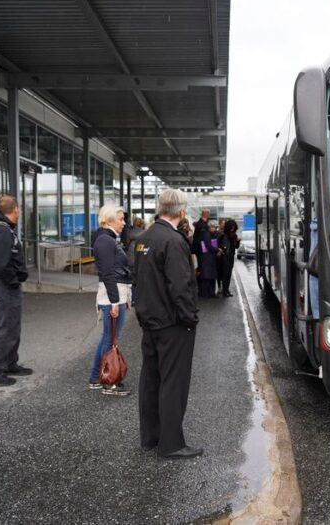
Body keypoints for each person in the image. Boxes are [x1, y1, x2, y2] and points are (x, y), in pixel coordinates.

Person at [134, 189, 201, 459]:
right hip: (172, 323)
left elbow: (139, 278)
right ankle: (171, 444)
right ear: (182, 212)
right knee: (173, 383)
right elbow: (180, 286)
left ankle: (150, 438)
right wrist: (190, 317)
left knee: (151, 380)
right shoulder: (174, 241)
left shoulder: (144, 237)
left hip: (149, 321)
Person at [0, 194, 31, 388]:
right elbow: (1, 265)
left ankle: (9, 363)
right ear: (15, 209)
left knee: (12, 324)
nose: (19, 213)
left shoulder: (0, 228)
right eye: (19, 209)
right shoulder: (1, 231)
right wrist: (15, 280)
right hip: (3, 285)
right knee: (5, 326)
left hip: (3, 284)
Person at [89, 204, 133, 396]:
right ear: (108, 219)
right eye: (121, 218)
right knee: (110, 339)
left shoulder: (107, 239)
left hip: (115, 295)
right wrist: (116, 302)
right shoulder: (106, 241)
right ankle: (108, 382)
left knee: (107, 337)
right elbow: (107, 273)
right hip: (111, 297)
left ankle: (96, 378)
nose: (124, 222)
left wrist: (125, 297)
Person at [196, 220, 220, 297]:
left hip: (209, 257)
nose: (215, 229)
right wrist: (217, 249)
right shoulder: (206, 234)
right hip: (207, 258)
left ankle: (210, 293)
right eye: (214, 227)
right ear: (210, 227)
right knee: (207, 277)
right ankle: (206, 293)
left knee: (210, 276)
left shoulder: (209, 234)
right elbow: (209, 246)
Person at [218, 219, 239, 297]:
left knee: (229, 273)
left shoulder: (234, 235)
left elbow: (236, 247)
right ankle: (224, 291)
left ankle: (226, 290)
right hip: (225, 257)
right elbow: (220, 245)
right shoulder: (223, 235)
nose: (232, 228)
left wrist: (238, 241)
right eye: (231, 227)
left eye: (233, 227)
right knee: (225, 274)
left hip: (231, 256)